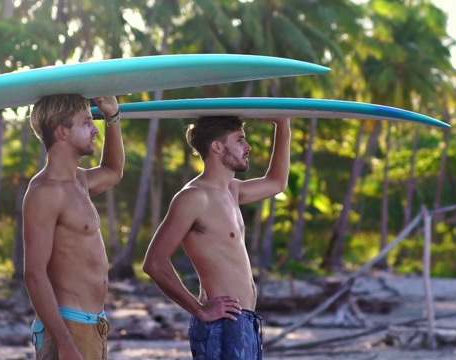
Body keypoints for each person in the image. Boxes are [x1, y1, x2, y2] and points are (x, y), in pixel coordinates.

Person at [143, 115, 290, 359]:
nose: (248, 147)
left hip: (244, 322)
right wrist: (199, 310)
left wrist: (282, 124)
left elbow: (277, 182)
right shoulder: (193, 197)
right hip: (222, 324)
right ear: (217, 147)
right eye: (240, 140)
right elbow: (154, 263)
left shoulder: (233, 191)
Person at [23, 94, 124, 360]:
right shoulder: (45, 192)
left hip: (93, 324)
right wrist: (65, 344)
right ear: (62, 132)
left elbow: (114, 170)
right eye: (87, 122)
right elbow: (34, 274)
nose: (94, 130)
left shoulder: (79, 180)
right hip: (68, 327)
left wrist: (113, 117)